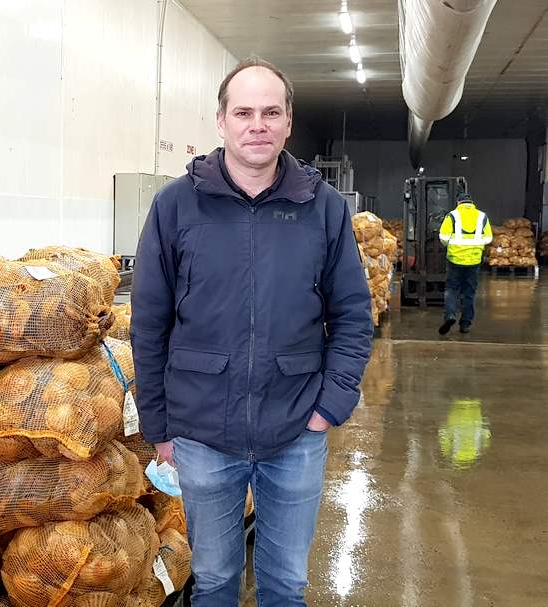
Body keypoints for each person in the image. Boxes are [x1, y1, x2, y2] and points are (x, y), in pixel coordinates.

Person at [130, 56, 373, 606]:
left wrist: (328, 406)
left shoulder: (323, 208)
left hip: (295, 429)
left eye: (270, 112)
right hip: (201, 430)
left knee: (285, 585)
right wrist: (159, 424)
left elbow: (354, 315)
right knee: (214, 581)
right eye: (243, 112)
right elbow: (148, 322)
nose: (256, 125)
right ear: (221, 122)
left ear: (288, 122)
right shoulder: (175, 206)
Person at [437, 193, 492, 335]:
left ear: (458, 202)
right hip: (474, 261)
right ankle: (465, 324)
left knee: (451, 290)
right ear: (471, 203)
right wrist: (476, 245)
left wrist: (453, 245)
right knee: (469, 292)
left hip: (455, 259)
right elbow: (488, 238)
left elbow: (443, 238)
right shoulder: (482, 216)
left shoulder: (452, 216)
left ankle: (450, 315)